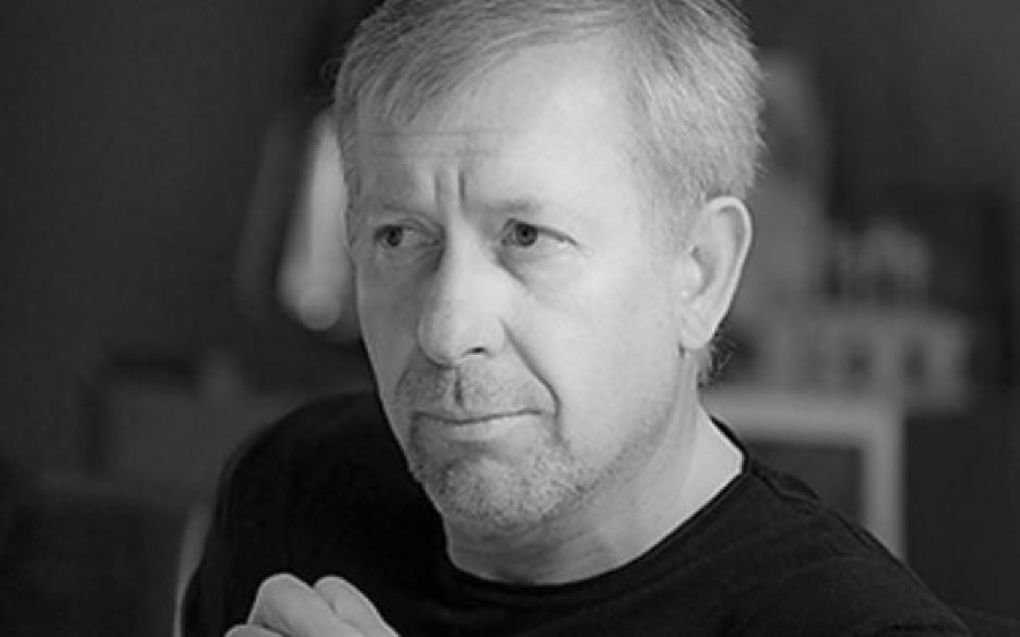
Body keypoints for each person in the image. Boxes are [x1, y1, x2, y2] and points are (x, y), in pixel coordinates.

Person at [184, 0, 971, 634]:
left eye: (527, 236)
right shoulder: (291, 491)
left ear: (700, 271)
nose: (446, 330)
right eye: (399, 236)